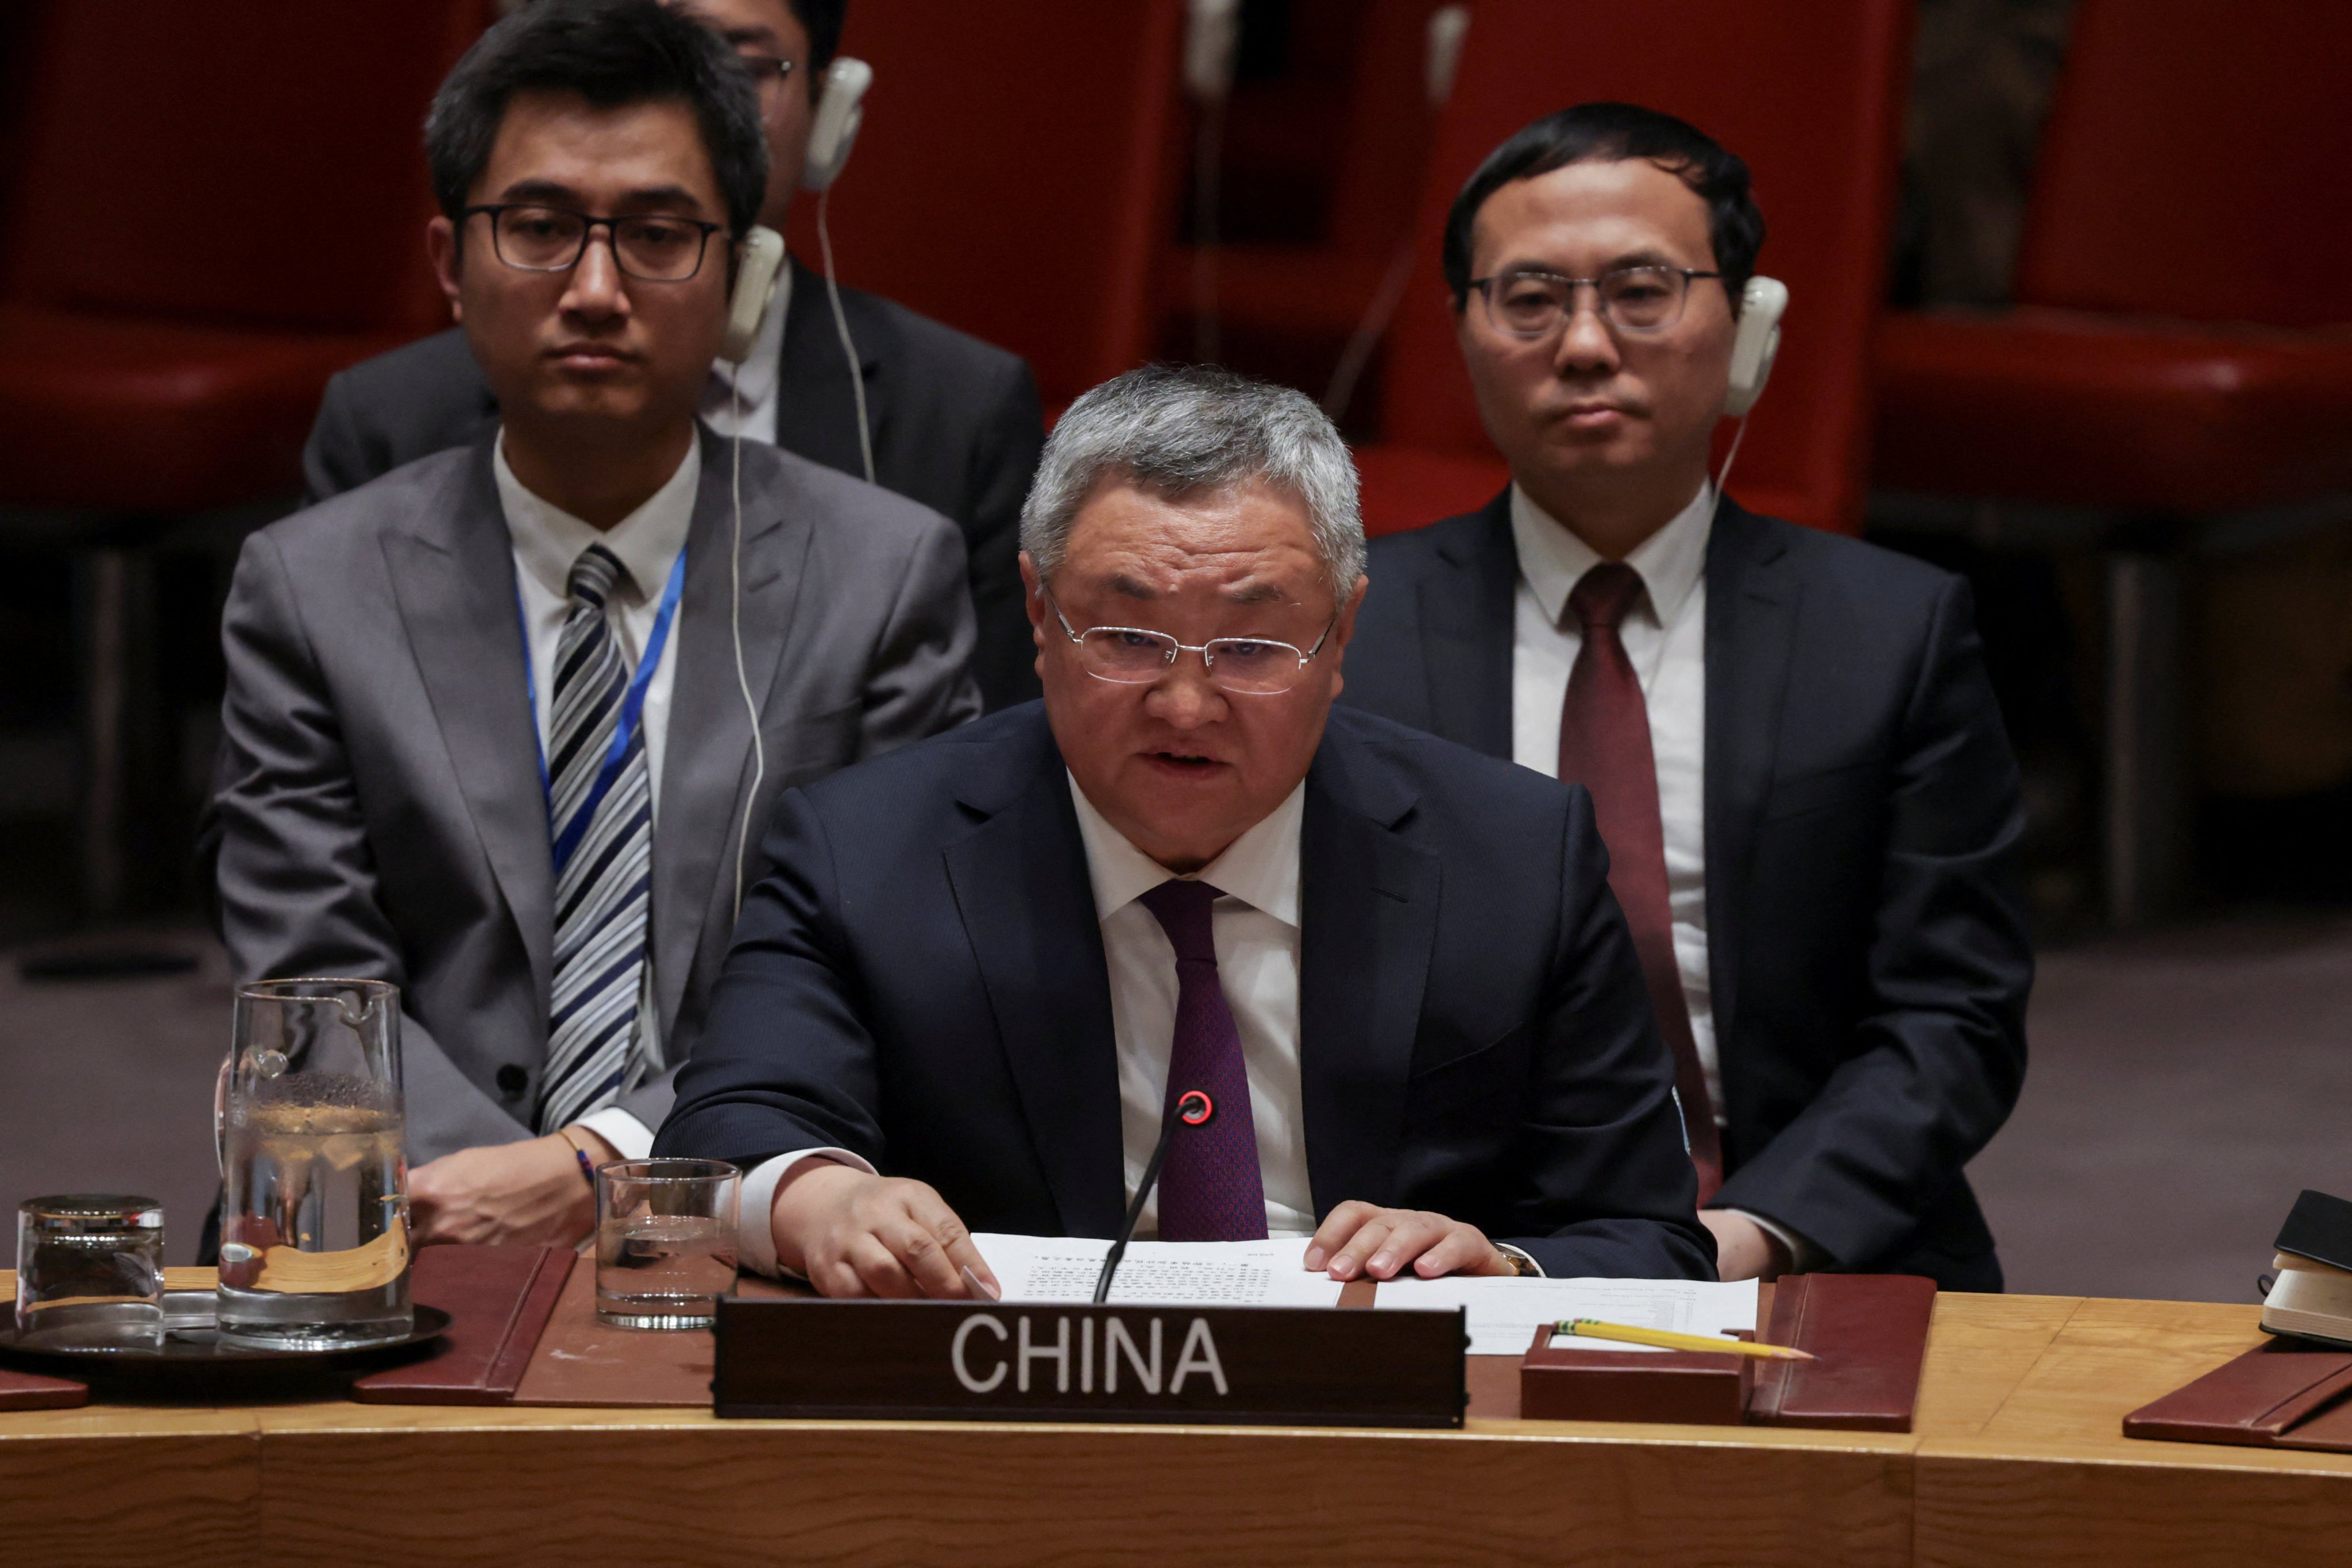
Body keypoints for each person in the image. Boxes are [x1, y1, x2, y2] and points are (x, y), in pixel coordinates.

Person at [656, 364, 1713, 1296]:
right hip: (1006, 1426)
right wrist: (819, 1197)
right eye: (1124, 635)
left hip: (1389, 1438)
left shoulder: (1518, 858)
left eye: (1252, 645)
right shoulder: (864, 849)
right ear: (1037, 613)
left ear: (1341, 632)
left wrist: (1503, 1274)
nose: (1187, 705)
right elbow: (731, 1124)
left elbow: (1649, 1237)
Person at [211, 0, 979, 1250]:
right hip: (387, 1208)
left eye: (660, 235)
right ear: (451, 264)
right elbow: (310, 984)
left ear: (739, 269)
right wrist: (470, 1180)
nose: (596, 289)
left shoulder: (884, 575)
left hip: (750, 1209)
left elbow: (877, 966)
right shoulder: (308, 584)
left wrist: (603, 1163)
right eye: (541, 229)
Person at [1340, 104, 2032, 1289]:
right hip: (1453, 1260)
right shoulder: (1351, 631)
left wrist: (1731, 1240)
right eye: (1528, 298)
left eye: (1641, 291)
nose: (1584, 344)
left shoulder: (1888, 633)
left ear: (1745, 325)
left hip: (1807, 1247)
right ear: (1460, 332)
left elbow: (1949, 1017)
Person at [302, 0, 1044, 710]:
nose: (597, 293)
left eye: (735, 66)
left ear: (828, 109)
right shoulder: (385, 423)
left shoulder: (961, 415)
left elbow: (981, 786)